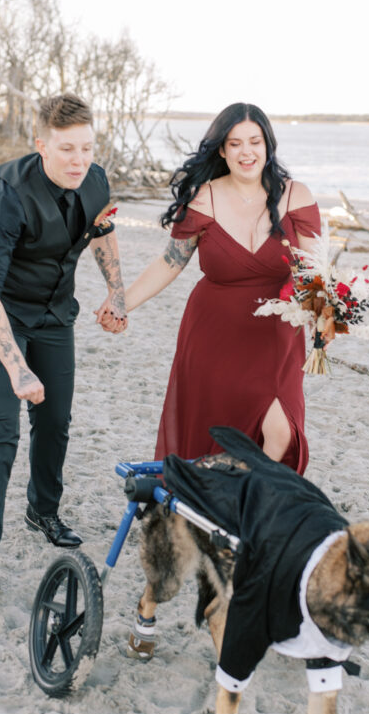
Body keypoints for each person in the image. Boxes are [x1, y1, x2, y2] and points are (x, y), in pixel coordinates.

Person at [0, 93, 128, 598]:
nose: (79, 160)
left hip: (54, 316)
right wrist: (16, 368)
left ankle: (43, 511)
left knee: (54, 420)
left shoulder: (94, 179)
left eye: (87, 148)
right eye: (67, 149)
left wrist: (116, 294)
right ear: (41, 145)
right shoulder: (8, 192)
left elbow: (102, 233)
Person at [120, 102, 321, 474]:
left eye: (255, 142)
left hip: (276, 335)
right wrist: (122, 303)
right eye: (235, 143)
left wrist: (328, 315)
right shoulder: (203, 197)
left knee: (280, 434)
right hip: (214, 335)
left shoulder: (296, 195)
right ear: (222, 150)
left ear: (267, 145)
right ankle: (215, 506)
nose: (247, 152)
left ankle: (235, 498)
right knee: (217, 430)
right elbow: (170, 262)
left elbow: (314, 270)